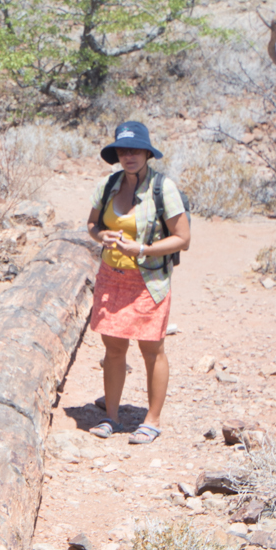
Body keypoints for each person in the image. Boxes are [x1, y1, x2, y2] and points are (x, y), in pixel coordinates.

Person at [85, 120, 190, 444]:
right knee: (113, 348)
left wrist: (141, 248)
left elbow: (182, 239)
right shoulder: (108, 185)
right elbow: (91, 224)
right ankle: (111, 416)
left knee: (151, 348)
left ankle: (152, 419)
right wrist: (102, 235)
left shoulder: (163, 188)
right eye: (123, 150)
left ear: (147, 152)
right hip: (111, 279)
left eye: (135, 150)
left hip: (148, 280)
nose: (129, 156)